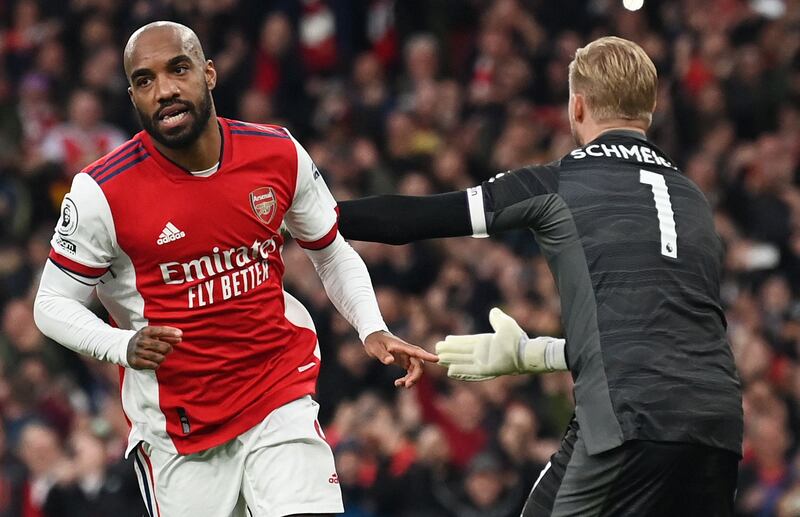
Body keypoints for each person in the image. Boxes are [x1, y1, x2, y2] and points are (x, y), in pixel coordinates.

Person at [33, 21, 437, 517]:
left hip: (277, 393)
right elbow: (50, 304)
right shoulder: (101, 192)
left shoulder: (276, 152)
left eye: (177, 70)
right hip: (179, 432)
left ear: (209, 73)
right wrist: (122, 345)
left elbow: (329, 250)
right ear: (133, 95)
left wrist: (371, 326)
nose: (164, 91)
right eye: (145, 80)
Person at [337, 36, 742, 516]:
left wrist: (304, 214)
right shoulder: (692, 196)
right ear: (649, 109)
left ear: (577, 107)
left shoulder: (559, 182)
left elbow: (411, 220)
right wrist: (538, 353)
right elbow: (664, 330)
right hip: (717, 423)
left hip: (628, 416)